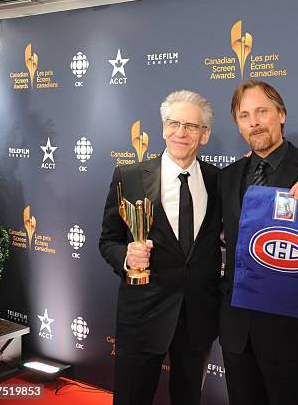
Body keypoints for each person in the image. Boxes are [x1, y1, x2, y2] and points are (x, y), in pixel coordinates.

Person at [218, 80, 298, 405]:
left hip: (287, 332)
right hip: (237, 332)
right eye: (244, 115)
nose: (254, 122)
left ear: (281, 115)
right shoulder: (228, 177)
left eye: (262, 111)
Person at [99, 90, 222, 405]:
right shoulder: (129, 176)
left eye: (191, 126)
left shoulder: (218, 180)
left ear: (204, 135)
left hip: (197, 318)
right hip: (142, 314)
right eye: (174, 123)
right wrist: (126, 255)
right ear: (164, 127)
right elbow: (108, 240)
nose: (181, 132)